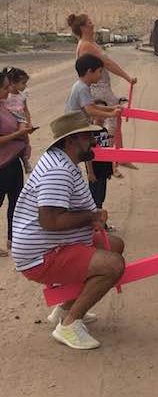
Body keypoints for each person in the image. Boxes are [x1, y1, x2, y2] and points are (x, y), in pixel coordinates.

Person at [11, 110, 125, 350]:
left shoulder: (61, 160)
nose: (92, 141)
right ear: (71, 140)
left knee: (114, 245)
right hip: (41, 254)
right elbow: (50, 221)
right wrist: (91, 216)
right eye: (87, 137)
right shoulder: (58, 171)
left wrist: (90, 219)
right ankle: (70, 325)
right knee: (112, 265)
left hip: (48, 244)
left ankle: (64, 310)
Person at [69, 13, 137, 173]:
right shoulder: (86, 45)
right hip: (99, 88)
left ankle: (118, 157)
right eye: (90, 22)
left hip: (102, 87)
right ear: (83, 27)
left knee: (111, 121)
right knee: (109, 122)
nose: (93, 24)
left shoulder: (88, 43)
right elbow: (107, 63)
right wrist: (127, 77)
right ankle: (109, 159)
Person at [0, 69, 36, 256]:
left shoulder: (4, 106)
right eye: (5, 88)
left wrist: (23, 132)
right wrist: (18, 135)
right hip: (2, 165)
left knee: (16, 203)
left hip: (13, 161)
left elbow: (19, 118)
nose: (9, 91)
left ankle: (13, 240)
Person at [66, 54, 123, 120]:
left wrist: (112, 108)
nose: (101, 76)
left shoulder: (79, 85)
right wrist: (111, 114)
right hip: (76, 125)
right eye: (100, 71)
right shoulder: (83, 88)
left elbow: (93, 107)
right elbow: (91, 111)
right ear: (89, 71)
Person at [86, 100, 114, 230]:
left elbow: (108, 151)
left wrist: (110, 168)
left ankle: (100, 222)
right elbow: (88, 155)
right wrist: (90, 172)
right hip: (95, 170)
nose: (102, 116)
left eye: (104, 113)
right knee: (94, 196)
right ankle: (95, 224)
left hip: (104, 169)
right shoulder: (90, 133)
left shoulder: (104, 131)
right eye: (99, 113)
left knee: (101, 195)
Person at [4, 67, 33, 172]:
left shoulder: (22, 96)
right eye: (23, 83)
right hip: (10, 119)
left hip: (20, 119)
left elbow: (26, 110)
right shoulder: (6, 96)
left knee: (25, 138)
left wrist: (29, 122)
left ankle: (25, 159)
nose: (25, 86)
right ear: (13, 83)